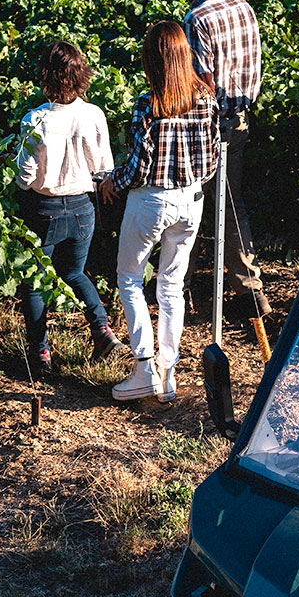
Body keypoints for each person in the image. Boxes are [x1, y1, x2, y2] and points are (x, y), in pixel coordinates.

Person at [97, 21, 220, 403]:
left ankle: (144, 368)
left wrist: (110, 182)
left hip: (151, 200)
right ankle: (167, 373)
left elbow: (137, 168)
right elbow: (214, 159)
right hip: (192, 199)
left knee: (130, 278)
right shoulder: (206, 98)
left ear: (152, 60)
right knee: (171, 285)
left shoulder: (148, 104)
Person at [169, 0, 270, 321]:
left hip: (213, 125)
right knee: (230, 201)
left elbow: (205, 80)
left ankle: (182, 284)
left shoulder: (197, 18)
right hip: (241, 118)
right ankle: (246, 288)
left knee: (192, 199)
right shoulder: (243, 6)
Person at [12, 41, 121, 375]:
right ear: (81, 75)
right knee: (74, 272)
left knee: (34, 281)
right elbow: (103, 166)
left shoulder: (36, 119)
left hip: (44, 209)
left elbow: (26, 176)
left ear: (46, 76)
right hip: (82, 208)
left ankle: (41, 352)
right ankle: (102, 330)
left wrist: (14, 183)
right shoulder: (93, 115)